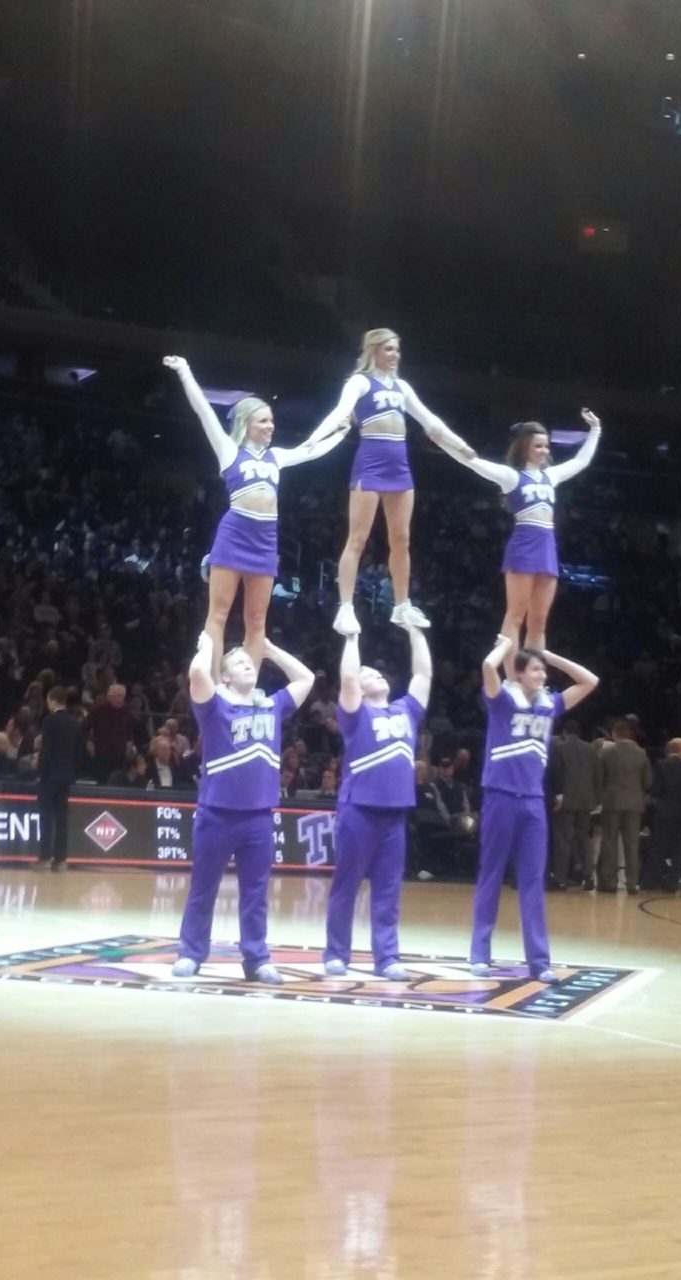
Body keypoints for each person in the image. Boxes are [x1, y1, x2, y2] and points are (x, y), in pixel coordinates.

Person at [163, 355, 351, 674]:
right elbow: (203, 411)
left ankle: (244, 683)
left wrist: (341, 435)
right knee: (218, 615)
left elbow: (309, 450)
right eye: (263, 420)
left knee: (257, 621)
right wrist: (185, 371)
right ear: (246, 423)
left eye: (272, 421)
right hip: (235, 532)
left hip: (265, 539)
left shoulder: (276, 457)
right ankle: (214, 685)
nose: (271, 426)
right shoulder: (228, 450)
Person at [305, 328, 476, 637]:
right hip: (370, 460)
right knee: (357, 538)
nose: (395, 355)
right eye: (389, 349)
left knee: (401, 540)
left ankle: (402, 606)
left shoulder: (402, 386)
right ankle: (345, 608)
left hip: (400, 464)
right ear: (374, 351)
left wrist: (461, 445)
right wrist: (313, 439)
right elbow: (339, 413)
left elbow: (431, 423)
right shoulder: (359, 382)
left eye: (397, 349)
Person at [172, 632, 314, 984]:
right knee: (203, 888)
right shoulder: (214, 707)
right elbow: (197, 675)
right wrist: (207, 647)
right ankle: (190, 953)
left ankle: (256, 958)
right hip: (216, 814)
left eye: (249, 662)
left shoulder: (272, 705)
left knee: (256, 893)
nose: (247, 664)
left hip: (259, 817)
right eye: (238, 662)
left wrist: (269, 650)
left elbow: (306, 678)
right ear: (225, 677)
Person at [469, 637, 598, 983]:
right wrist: (504, 645)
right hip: (498, 796)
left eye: (544, 670)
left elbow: (590, 681)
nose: (543, 675)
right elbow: (487, 667)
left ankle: (539, 962)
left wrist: (551, 657)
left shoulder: (549, 704)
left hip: (532, 802)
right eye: (536, 669)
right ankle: (479, 955)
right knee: (491, 876)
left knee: (532, 882)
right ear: (520, 673)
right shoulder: (502, 701)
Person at [446, 411, 602, 666]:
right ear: (524, 448)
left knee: (539, 621)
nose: (543, 451)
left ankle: (533, 678)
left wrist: (595, 430)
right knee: (516, 615)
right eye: (537, 446)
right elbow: (472, 462)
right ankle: (511, 677)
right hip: (524, 545)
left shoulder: (551, 477)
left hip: (547, 546)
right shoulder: (512, 477)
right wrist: (445, 442)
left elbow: (581, 461)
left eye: (545, 446)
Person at [323, 625, 432, 980]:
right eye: (368, 673)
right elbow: (349, 679)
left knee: (388, 890)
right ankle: (336, 954)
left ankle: (387, 958)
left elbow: (423, 673)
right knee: (346, 885)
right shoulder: (355, 715)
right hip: (358, 811)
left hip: (395, 815)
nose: (376, 675)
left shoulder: (406, 711)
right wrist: (353, 638)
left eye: (379, 672)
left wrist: (415, 631)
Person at [597, 719, 652, 894]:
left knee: (610, 842)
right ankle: (632, 882)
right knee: (632, 844)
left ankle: (609, 882)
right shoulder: (641, 753)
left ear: (614, 734)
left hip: (611, 801)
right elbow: (648, 780)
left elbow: (599, 777)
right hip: (635, 803)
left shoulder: (607, 752)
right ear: (629, 735)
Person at [34, 685, 84, 872]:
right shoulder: (75, 722)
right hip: (66, 777)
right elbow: (80, 753)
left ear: (52, 699)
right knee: (62, 818)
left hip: (49, 776)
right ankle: (61, 859)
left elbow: (46, 751)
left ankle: (45, 857)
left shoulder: (50, 721)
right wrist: (73, 773)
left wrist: (40, 772)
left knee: (46, 817)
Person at [549, 719, 602, 889]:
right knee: (584, 838)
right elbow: (598, 776)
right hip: (586, 800)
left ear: (564, 732)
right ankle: (588, 876)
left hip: (566, 800)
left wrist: (556, 796)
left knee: (563, 839)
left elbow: (556, 775)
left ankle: (561, 878)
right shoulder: (592, 749)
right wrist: (596, 798)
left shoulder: (559, 748)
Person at [645, 738, 681, 892]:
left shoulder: (661, 765)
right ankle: (673, 880)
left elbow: (655, 790)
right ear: (680, 749)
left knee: (658, 846)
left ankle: (650, 881)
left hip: (665, 811)